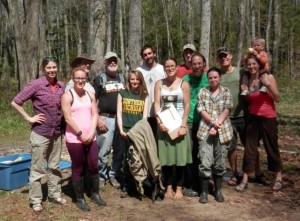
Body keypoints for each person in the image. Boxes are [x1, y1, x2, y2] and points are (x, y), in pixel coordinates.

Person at [11, 56, 66, 212]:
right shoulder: (37, 84)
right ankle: (36, 199)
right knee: (38, 168)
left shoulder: (62, 86)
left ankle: (55, 195)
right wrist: (29, 118)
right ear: (44, 69)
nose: (52, 70)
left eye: (54, 67)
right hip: (40, 133)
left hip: (56, 132)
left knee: (55, 166)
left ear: (57, 68)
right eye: (49, 67)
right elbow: (16, 102)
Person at [61, 67, 106, 211]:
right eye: (77, 78)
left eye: (83, 78)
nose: (80, 80)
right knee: (78, 167)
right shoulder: (67, 96)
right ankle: (80, 198)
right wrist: (81, 134)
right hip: (74, 138)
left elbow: (94, 114)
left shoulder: (90, 94)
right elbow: (67, 118)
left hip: (90, 137)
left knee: (93, 165)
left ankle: (95, 194)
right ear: (72, 79)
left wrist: (92, 132)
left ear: (86, 78)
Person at [236, 55, 283, 192]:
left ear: (259, 64)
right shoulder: (247, 81)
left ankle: (278, 178)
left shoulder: (268, 77)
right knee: (249, 148)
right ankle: (245, 179)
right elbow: (250, 101)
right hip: (253, 118)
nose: (251, 66)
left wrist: (268, 85)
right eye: (249, 64)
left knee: (271, 147)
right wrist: (244, 93)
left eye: (254, 64)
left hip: (268, 118)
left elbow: (277, 97)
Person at [154, 57, 192, 200]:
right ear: (164, 68)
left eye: (172, 66)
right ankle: (168, 187)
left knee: (181, 159)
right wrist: (159, 122)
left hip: (179, 125)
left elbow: (187, 105)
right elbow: (156, 104)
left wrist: (183, 125)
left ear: (177, 68)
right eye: (167, 66)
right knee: (166, 158)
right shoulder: (159, 84)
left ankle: (179, 188)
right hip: (164, 126)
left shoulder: (184, 84)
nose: (169, 68)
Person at [197, 67, 233, 204]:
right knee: (205, 162)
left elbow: (227, 109)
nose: (213, 80)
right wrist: (212, 123)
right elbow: (201, 109)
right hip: (205, 130)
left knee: (220, 163)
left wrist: (217, 125)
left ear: (220, 78)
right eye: (210, 77)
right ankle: (204, 192)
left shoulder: (226, 92)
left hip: (222, 131)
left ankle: (217, 191)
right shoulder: (203, 92)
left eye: (215, 77)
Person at [216, 47, 248, 186]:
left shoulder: (241, 72)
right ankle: (235, 173)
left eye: (226, 55)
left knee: (250, 146)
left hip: (245, 115)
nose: (224, 58)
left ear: (231, 56)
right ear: (218, 59)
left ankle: (257, 172)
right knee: (231, 148)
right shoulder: (218, 75)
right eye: (221, 56)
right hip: (228, 117)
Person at [94, 51, 126, 188]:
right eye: (109, 61)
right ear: (105, 63)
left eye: (114, 60)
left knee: (119, 150)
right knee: (103, 150)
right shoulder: (99, 79)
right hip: (105, 118)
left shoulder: (123, 78)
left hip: (120, 119)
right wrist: (97, 120)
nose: (112, 63)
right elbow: (93, 101)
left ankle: (113, 174)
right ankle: (101, 176)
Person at [116, 69, 149, 196]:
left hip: (138, 132)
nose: (134, 81)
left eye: (137, 79)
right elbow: (119, 112)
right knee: (126, 158)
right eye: (132, 79)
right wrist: (121, 129)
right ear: (129, 80)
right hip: (125, 131)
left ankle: (139, 183)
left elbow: (145, 116)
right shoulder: (122, 93)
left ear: (140, 81)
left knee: (138, 158)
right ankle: (126, 185)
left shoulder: (144, 95)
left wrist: (140, 131)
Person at [182, 52, 209, 197]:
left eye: (199, 63)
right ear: (190, 65)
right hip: (190, 121)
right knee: (191, 153)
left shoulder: (209, 78)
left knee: (205, 154)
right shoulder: (186, 79)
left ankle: (204, 183)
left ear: (204, 64)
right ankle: (191, 183)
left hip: (206, 122)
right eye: (194, 64)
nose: (197, 66)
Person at [137, 45, 166, 135]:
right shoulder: (139, 71)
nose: (148, 56)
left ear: (154, 54)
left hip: (161, 112)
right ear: (142, 57)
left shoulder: (163, 69)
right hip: (144, 113)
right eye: (145, 55)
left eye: (149, 53)